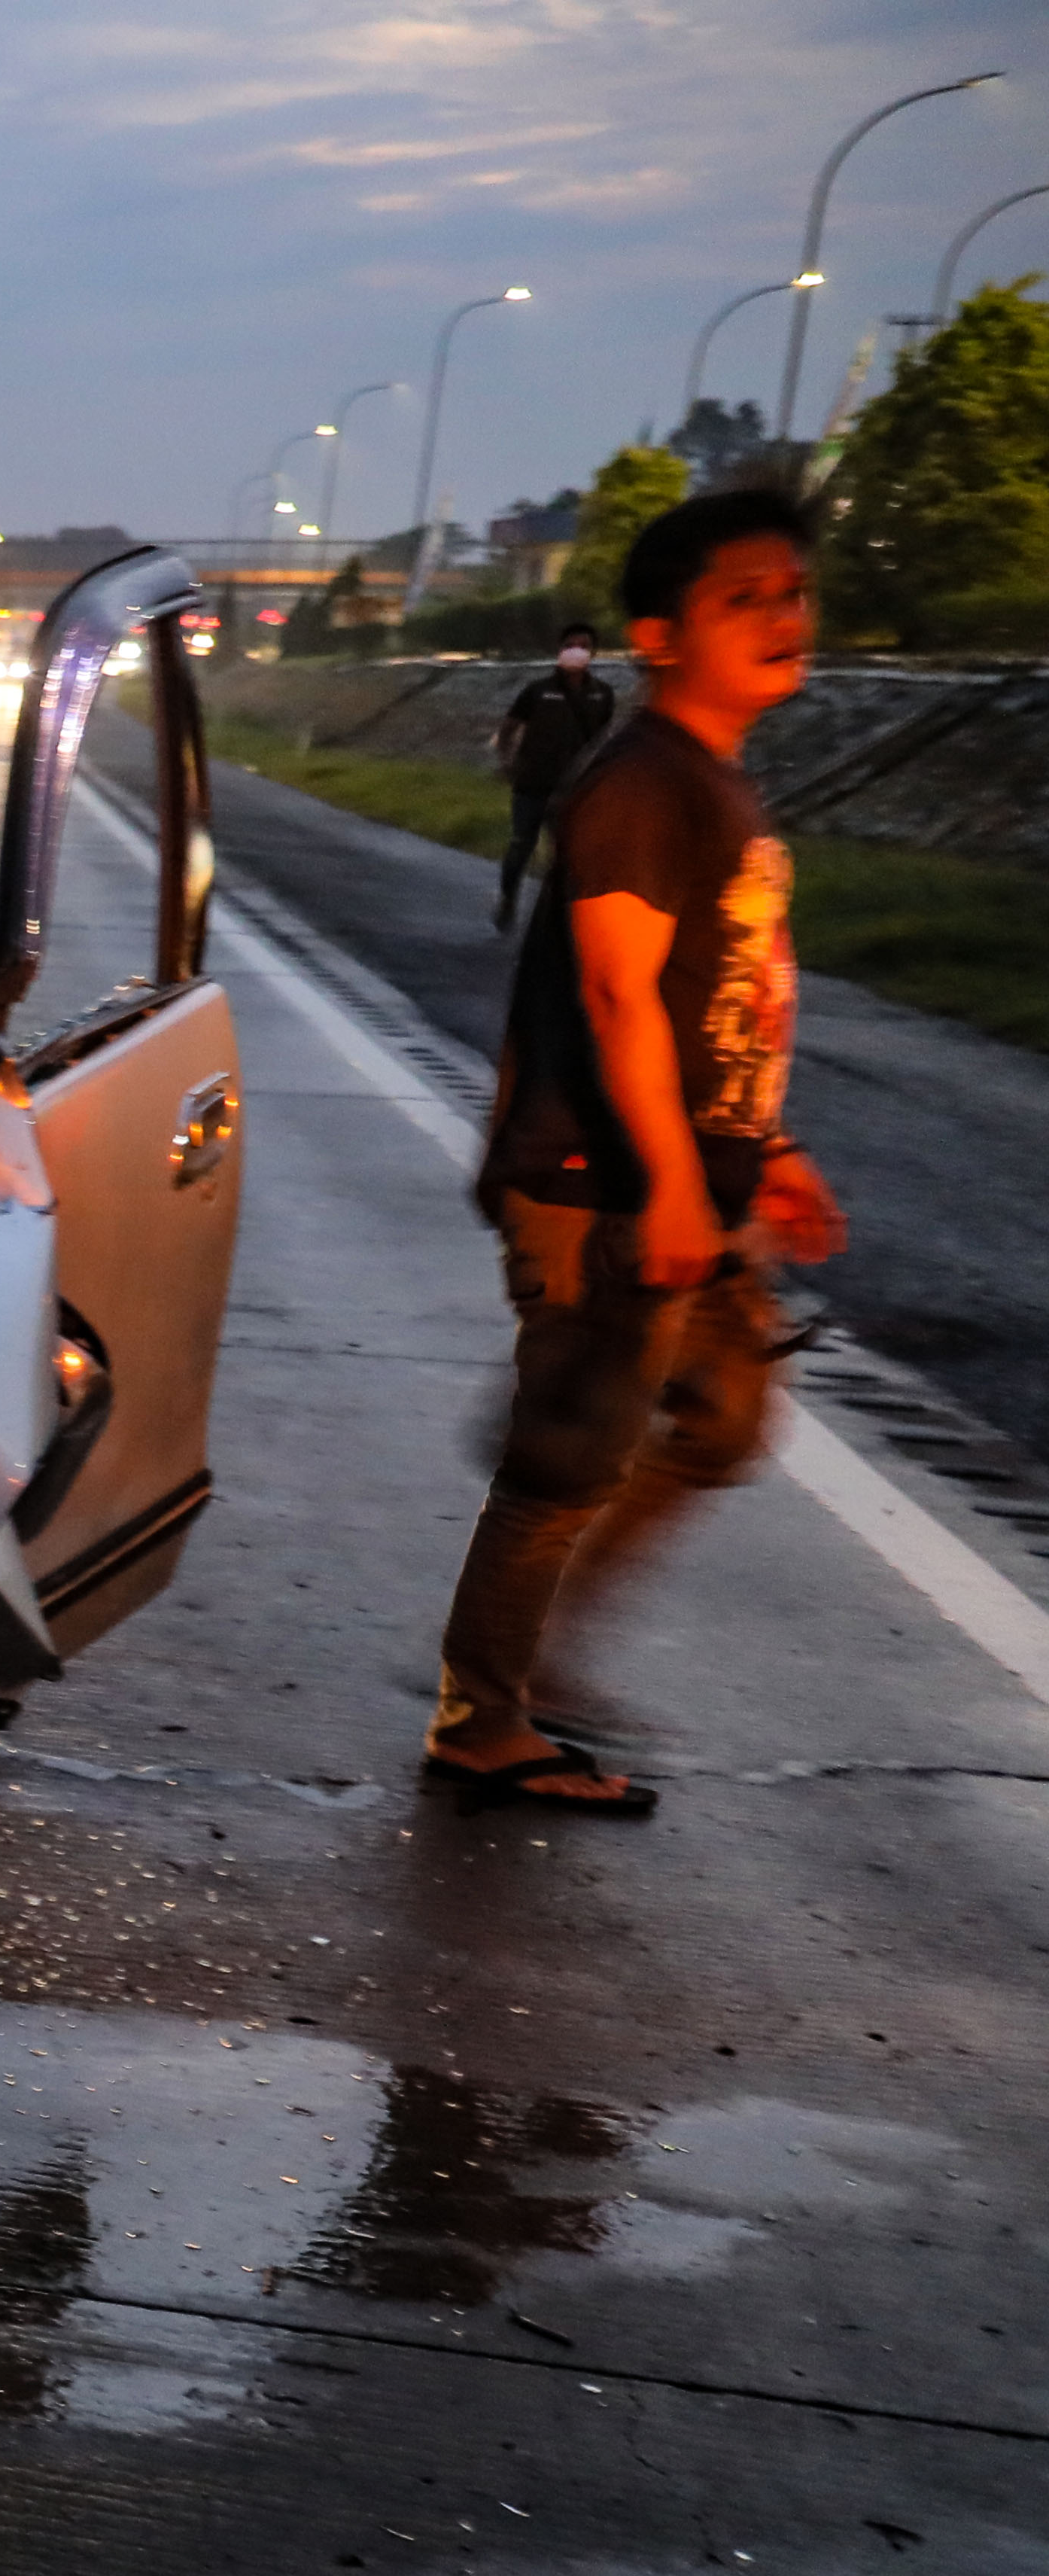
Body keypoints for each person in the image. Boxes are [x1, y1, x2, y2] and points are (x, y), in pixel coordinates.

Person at [425, 494, 845, 1816]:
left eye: (793, 592)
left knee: (721, 1421)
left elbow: (710, 1000)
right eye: (746, 599)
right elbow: (617, 997)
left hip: (688, 1179)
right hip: (599, 1183)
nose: (785, 616)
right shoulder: (641, 783)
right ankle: (483, 1720)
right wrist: (668, 1182)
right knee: (567, 1467)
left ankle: (527, 1640)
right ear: (659, 636)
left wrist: (761, 1149)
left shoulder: (713, 779)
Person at [488, 622, 622, 930]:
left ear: (593, 653)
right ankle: (508, 896)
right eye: (571, 644)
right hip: (532, 785)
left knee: (565, 855)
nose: (578, 650)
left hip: (575, 789)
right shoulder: (537, 691)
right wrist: (508, 762)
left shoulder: (602, 694)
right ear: (560, 650)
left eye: (584, 645)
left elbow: (605, 739)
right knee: (521, 845)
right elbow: (508, 729)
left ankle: (554, 920)